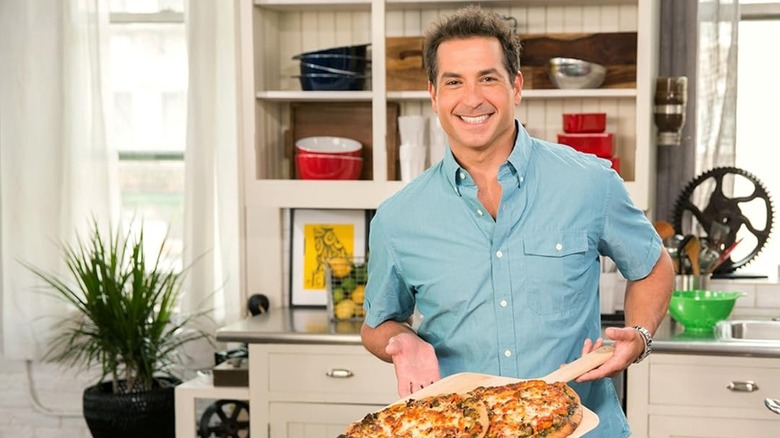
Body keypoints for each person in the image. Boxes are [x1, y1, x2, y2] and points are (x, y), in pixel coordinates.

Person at [360, 5, 674, 437]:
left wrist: (639, 335)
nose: (472, 98)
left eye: (488, 78)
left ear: (517, 86)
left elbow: (653, 266)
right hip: (463, 428)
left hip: (586, 427)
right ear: (433, 95)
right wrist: (402, 340)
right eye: (454, 82)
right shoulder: (398, 218)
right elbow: (378, 324)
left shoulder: (589, 181)